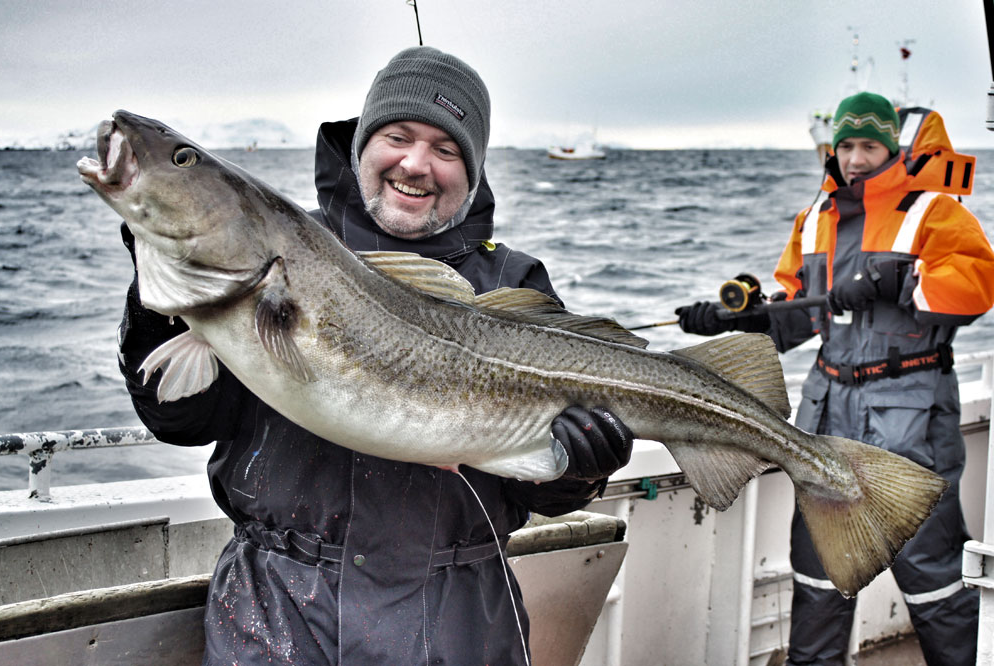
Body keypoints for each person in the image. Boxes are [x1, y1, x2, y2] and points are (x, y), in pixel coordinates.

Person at [117, 46, 634, 665]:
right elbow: (181, 420)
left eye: (446, 150)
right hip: (276, 610)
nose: (416, 164)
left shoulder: (511, 286)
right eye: (398, 136)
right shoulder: (268, 253)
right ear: (363, 142)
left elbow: (542, 487)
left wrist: (582, 466)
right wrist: (160, 296)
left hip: (461, 618)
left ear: (471, 170)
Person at [677, 92, 994, 665]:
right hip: (829, 411)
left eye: (868, 145)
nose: (853, 158)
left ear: (890, 148)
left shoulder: (934, 211)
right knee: (819, 568)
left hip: (911, 413)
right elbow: (795, 309)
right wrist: (736, 319)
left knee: (932, 571)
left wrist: (899, 280)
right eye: (845, 145)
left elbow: (976, 285)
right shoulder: (817, 216)